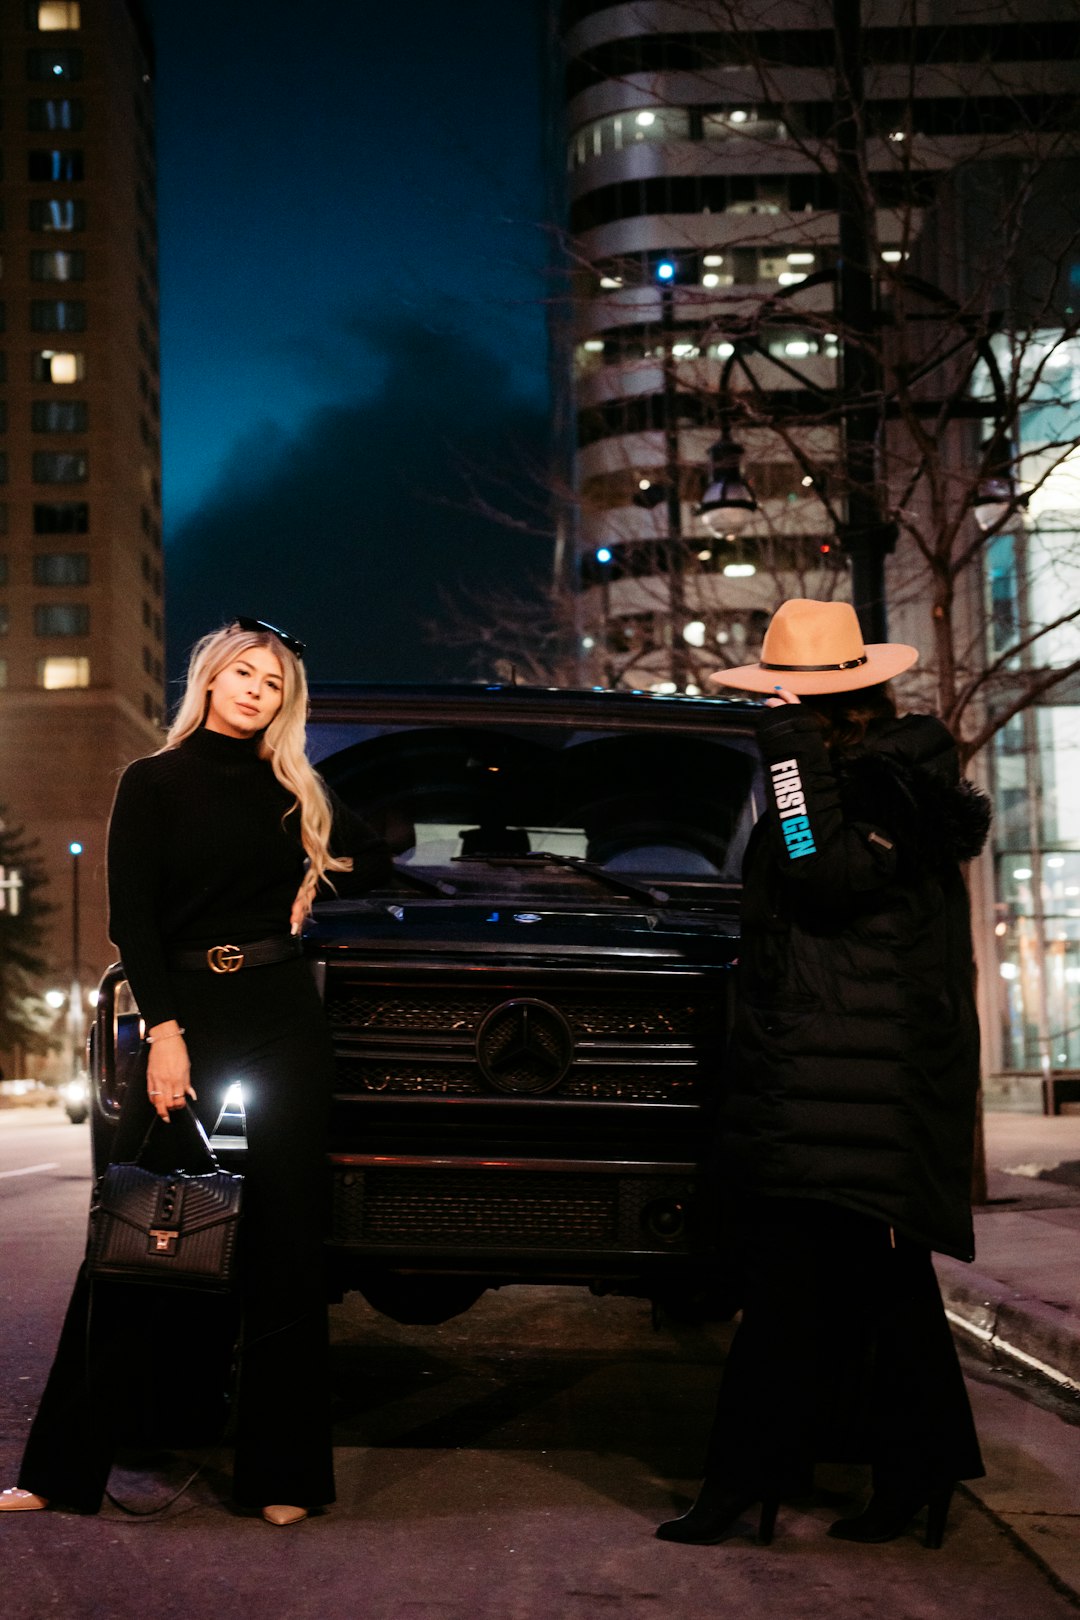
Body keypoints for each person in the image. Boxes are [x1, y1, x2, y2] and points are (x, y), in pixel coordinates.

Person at [1, 618, 391, 1526]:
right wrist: (165, 1031)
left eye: (274, 683)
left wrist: (313, 884)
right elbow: (133, 919)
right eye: (244, 674)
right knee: (136, 1227)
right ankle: (63, 1467)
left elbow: (373, 854)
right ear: (211, 679)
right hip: (188, 1017)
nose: (258, 691)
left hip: (284, 1015)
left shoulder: (294, 786)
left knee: (287, 1241)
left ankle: (284, 1477)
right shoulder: (153, 782)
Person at [656, 598, 989, 1551]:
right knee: (874, 1297)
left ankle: (742, 1486)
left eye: (785, 692)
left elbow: (825, 875)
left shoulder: (893, 778)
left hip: (860, 1096)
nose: (775, 706)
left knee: (801, 1298)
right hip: (823, 1082)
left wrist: (791, 754)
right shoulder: (845, 772)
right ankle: (907, 1474)